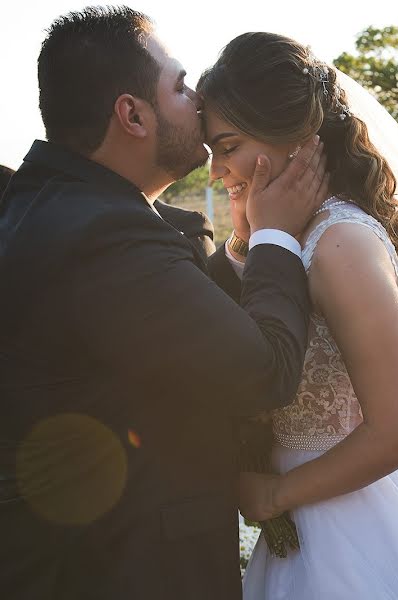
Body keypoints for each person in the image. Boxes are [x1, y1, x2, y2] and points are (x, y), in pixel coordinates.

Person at [0, 9, 324, 600]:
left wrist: (246, 241)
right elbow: (266, 371)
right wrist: (276, 233)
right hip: (125, 567)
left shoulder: (58, 208)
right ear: (132, 114)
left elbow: (174, 319)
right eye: (178, 85)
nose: (197, 99)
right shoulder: (101, 237)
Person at [198, 33, 398, 598]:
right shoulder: (295, 234)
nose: (217, 170)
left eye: (228, 145)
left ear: (293, 135)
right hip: (310, 509)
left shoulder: (338, 242)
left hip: (349, 518)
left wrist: (273, 496)